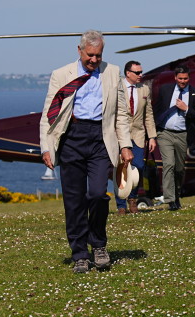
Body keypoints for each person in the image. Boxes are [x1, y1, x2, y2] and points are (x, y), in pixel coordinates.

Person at [39, 30, 134, 273]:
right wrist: (46, 148)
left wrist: (125, 145)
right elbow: (48, 114)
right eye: (90, 55)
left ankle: (99, 244)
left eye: (98, 55)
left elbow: (122, 114)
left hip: (101, 140)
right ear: (79, 50)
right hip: (72, 138)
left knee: (97, 195)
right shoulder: (61, 75)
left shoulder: (112, 73)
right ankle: (80, 253)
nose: (94, 60)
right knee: (74, 201)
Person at [153, 65, 195, 211]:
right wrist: (153, 132)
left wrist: (186, 109)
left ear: (189, 78)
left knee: (179, 168)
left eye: (185, 78)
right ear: (175, 78)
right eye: (180, 78)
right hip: (165, 133)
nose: (183, 81)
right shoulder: (165, 90)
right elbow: (156, 110)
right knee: (168, 164)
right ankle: (170, 200)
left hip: (183, 134)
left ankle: (176, 194)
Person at [118, 60, 157, 214]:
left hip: (139, 135)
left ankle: (132, 198)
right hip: (120, 135)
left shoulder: (144, 89)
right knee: (121, 169)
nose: (141, 75)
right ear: (128, 73)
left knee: (138, 168)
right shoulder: (117, 88)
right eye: (137, 72)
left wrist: (152, 136)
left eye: (141, 72)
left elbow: (149, 115)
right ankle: (121, 205)